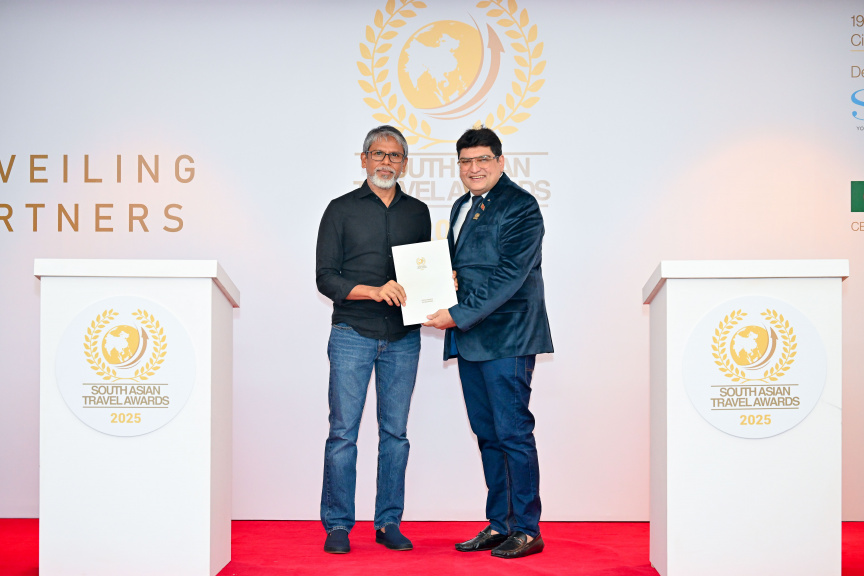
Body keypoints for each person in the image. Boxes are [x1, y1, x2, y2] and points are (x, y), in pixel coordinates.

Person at [424, 127, 553, 559]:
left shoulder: (521, 205)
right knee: (488, 435)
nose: (473, 168)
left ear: (500, 162)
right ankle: (500, 524)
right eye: (466, 161)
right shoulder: (462, 205)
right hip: (472, 339)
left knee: (513, 434)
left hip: (508, 337)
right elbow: (459, 267)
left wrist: (457, 313)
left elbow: (510, 275)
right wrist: (443, 281)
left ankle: (527, 530)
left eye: (482, 159)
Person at [316, 125, 431, 554]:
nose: (386, 162)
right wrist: (373, 291)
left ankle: (388, 523)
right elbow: (325, 278)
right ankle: (338, 526)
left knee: (395, 435)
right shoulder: (340, 210)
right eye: (378, 154)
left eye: (394, 155)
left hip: (403, 338)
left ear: (405, 163)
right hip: (352, 333)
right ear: (364, 159)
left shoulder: (418, 212)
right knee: (343, 434)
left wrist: (440, 288)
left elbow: (421, 273)